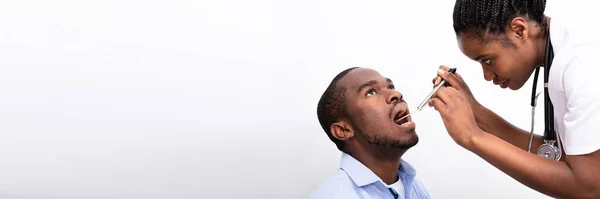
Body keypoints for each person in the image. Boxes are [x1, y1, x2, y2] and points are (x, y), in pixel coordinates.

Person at [428, 0, 600, 198]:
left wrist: (472, 136)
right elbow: (563, 157)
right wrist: (476, 112)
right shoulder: (564, 51)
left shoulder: (582, 64)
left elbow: (590, 188)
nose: (487, 76)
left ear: (519, 30)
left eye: (487, 60)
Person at [309, 67, 431, 199]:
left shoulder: (415, 187)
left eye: (390, 87)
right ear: (343, 130)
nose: (396, 94)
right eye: (370, 92)